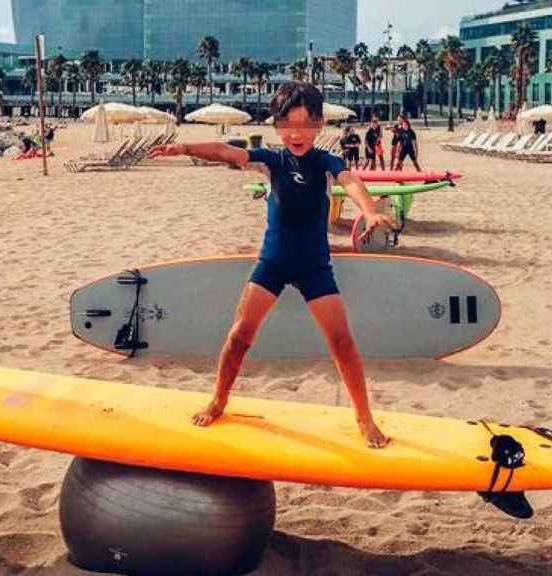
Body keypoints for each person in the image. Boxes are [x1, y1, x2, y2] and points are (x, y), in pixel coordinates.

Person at [149, 82, 393, 449]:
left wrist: (370, 211)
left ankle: (364, 417)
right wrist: (183, 147)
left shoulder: (327, 162)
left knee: (342, 343)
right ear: (277, 125)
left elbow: (351, 182)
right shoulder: (272, 160)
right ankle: (218, 401)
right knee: (240, 336)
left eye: (306, 125)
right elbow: (225, 151)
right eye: (288, 125)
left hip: (315, 267)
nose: (297, 134)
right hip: (273, 263)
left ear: (320, 124)